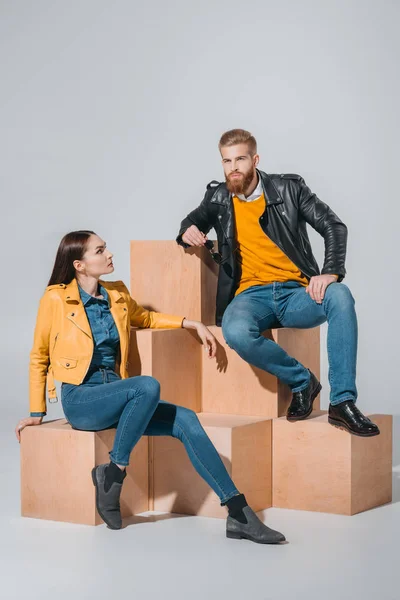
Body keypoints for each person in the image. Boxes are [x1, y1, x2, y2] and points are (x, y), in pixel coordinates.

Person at [15, 230, 285, 543]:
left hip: (118, 395)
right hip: (82, 398)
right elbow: (39, 355)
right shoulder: (55, 299)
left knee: (185, 419)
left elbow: (145, 318)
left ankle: (238, 513)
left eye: (106, 248)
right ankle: (115, 471)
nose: (109, 254)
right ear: (80, 264)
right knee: (146, 386)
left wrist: (190, 323)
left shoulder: (116, 294)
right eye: (100, 250)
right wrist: (37, 412)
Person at [177, 129, 379, 437]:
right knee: (235, 331)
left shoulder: (289, 188)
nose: (233, 168)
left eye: (240, 159)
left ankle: (342, 402)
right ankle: (302, 381)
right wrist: (187, 231)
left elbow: (332, 225)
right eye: (227, 161)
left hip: (296, 293)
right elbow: (190, 222)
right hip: (250, 297)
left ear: (255, 160)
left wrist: (330, 271)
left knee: (340, 296)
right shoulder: (218, 196)